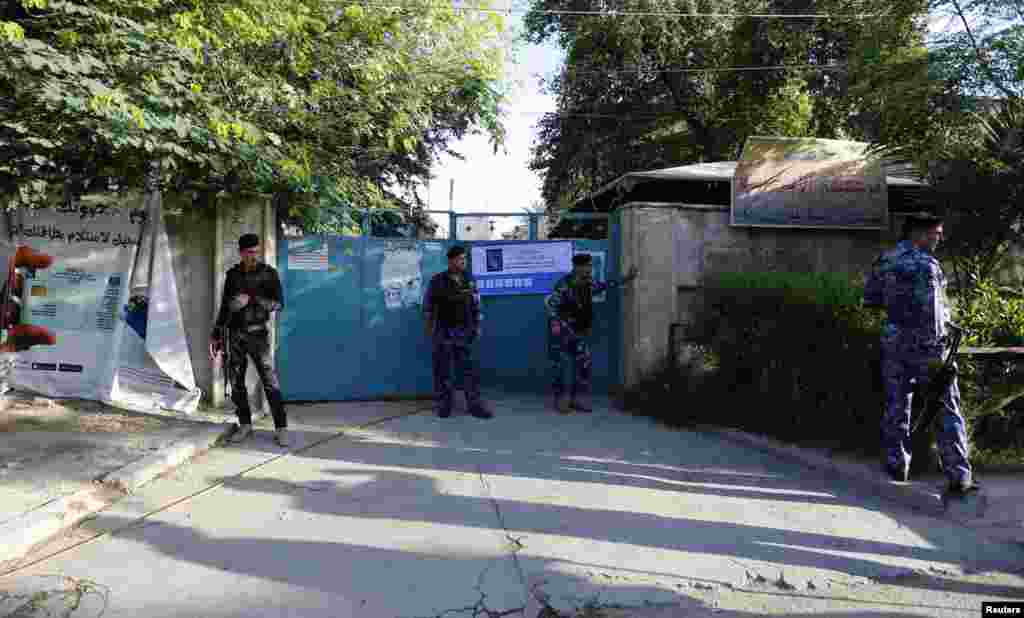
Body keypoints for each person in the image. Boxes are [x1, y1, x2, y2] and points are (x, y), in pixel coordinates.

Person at [863, 212, 975, 495]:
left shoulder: (885, 260)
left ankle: (897, 465)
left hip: (894, 343)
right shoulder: (928, 266)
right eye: (937, 234)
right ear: (919, 234)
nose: (940, 239)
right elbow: (936, 315)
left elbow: (871, 300)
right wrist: (941, 351)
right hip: (927, 348)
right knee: (946, 407)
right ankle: (959, 475)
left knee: (897, 405)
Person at [209, 233, 289, 446]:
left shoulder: (268, 274)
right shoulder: (233, 275)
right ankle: (245, 425)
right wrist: (216, 334)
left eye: (256, 252)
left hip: (258, 335)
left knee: (269, 381)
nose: (253, 256)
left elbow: (279, 304)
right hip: (235, 334)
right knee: (236, 382)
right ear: (241, 252)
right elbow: (225, 306)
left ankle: (281, 428)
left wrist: (254, 300)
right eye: (248, 252)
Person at [545, 255, 638, 413]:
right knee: (559, 366)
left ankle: (575, 399)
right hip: (562, 332)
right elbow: (551, 305)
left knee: (584, 363)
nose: (590, 269)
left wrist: (627, 278)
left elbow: (605, 285)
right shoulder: (564, 285)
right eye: (587, 266)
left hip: (579, 332)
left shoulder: (589, 283)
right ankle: (560, 400)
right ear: (578, 267)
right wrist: (556, 325)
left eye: (590, 266)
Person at [422, 245, 492, 419]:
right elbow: (428, 306)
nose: (463, 262)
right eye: (460, 259)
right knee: (443, 370)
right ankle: (444, 405)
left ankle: (475, 406)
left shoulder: (469, 280)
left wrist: (478, 326)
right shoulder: (437, 281)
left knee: (469, 370)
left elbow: (477, 304)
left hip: (465, 331)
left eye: (465, 259)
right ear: (451, 260)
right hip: (443, 331)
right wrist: (430, 328)